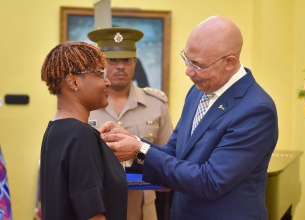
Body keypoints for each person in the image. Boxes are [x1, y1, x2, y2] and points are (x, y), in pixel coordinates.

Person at [99, 15, 279, 220]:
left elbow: (210, 181)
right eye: (186, 59)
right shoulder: (198, 91)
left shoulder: (255, 109)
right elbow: (174, 152)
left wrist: (139, 150)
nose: (188, 71)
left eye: (198, 65)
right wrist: (132, 142)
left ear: (230, 62)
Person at [87, 28, 174, 220]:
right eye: (113, 60)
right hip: (98, 209)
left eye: (127, 60)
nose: (121, 66)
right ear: (100, 64)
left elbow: (170, 157)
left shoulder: (156, 104)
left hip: (143, 211)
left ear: (135, 63)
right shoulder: (85, 104)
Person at [40, 41, 127, 220]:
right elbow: (92, 214)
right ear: (73, 81)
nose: (108, 82)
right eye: (100, 74)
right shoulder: (81, 135)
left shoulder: (55, 130)